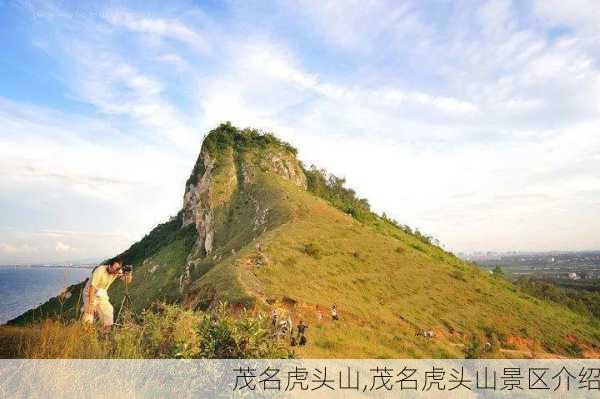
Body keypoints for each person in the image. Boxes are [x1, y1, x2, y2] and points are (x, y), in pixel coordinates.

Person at [82, 259, 132, 332]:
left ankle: (104, 333)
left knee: (108, 311)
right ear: (110, 266)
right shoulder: (100, 270)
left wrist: (129, 274)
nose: (115, 273)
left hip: (101, 294)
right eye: (114, 269)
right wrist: (91, 304)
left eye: (117, 270)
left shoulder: (117, 271)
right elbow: (92, 287)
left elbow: (127, 281)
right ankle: (85, 333)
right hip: (89, 294)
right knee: (89, 313)